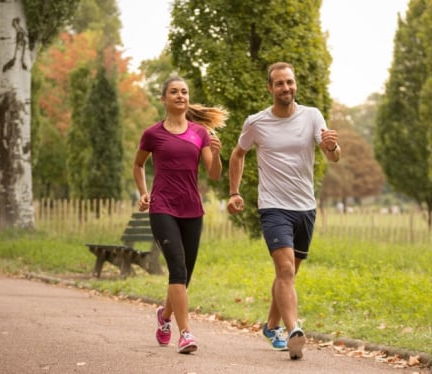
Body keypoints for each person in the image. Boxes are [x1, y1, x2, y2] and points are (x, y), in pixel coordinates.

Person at [226, 62, 341, 360]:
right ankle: (294, 330)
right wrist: (234, 192)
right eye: (279, 83)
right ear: (270, 88)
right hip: (274, 207)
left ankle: (271, 325)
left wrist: (333, 147)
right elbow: (238, 154)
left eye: (289, 82)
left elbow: (332, 155)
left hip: (305, 207)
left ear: (295, 84)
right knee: (285, 269)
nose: (285, 88)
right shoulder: (256, 122)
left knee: (288, 274)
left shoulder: (312, 116)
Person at [132, 76, 227, 354]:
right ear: (164, 99)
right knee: (177, 267)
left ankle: (164, 318)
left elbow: (214, 173)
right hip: (162, 207)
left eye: (184, 92)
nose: (180, 96)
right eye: (173, 92)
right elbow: (138, 165)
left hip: (192, 209)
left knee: (184, 275)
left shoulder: (200, 133)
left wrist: (218, 155)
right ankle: (185, 333)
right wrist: (143, 192)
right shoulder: (152, 133)